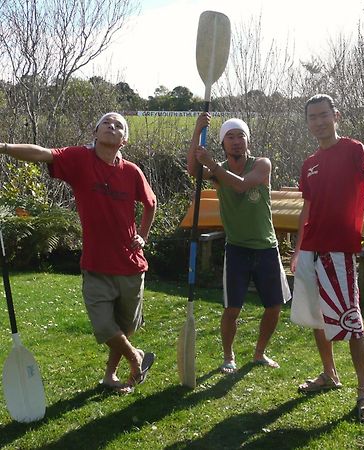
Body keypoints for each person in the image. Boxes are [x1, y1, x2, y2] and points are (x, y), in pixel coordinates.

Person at [0, 112, 157, 394]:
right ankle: (137, 357)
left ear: (125, 139)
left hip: (131, 265)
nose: (112, 126)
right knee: (103, 325)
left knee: (125, 327)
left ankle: (111, 376)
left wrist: (142, 237)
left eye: (118, 125)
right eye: (106, 123)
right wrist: (5, 148)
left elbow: (151, 203)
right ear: (95, 132)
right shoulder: (79, 159)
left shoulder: (132, 171)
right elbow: (42, 154)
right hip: (96, 264)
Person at [290, 94, 364, 423]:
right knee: (318, 318)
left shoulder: (353, 149)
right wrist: (297, 248)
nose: (319, 122)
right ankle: (329, 374)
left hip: (340, 251)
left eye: (324, 115)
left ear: (336, 115)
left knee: (351, 322)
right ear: (307, 122)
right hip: (311, 251)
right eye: (312, 117)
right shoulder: (309, 164)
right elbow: (307, 209)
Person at [187, 113, 291, 374]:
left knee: (274, 306)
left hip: (266, 247)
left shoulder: (261, 164)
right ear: (223, 143)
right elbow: (193, 171)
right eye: (230, 137)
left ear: (247, 141)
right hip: (237, 249)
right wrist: (196, 131)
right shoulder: (217, 170)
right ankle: (228, 356)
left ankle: (259, 353)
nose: (236, 141)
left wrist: (213, 165)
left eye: (240, 136)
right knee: (232, 308)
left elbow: (242, 186)